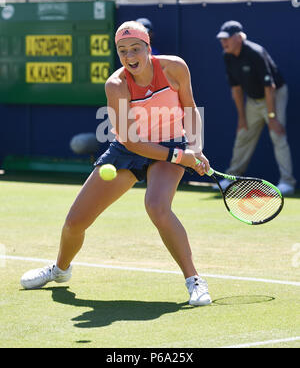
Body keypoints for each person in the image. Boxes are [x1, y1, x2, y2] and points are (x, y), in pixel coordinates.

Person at [20, 20, 212, 307]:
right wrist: (180, 157)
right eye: (122, 51)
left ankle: (194, 280)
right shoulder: (116, 85)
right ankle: (59, 270)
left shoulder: (174, 67)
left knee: (157, 206)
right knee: (75, 221)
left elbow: (189, 106)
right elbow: (133, 142)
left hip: (172, 140)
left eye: (135, 48)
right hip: (130, 149)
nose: (130, 56)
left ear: (148, 48)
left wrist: (194, 148)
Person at [215, 20, 296, 195]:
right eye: (221, 39)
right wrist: (242, 117)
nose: (223, 42)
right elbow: (236, 89)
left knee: (277, 135)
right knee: (243, 135)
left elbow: (270, 87)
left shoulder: (255, 53)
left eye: (226, 39)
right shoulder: (227, 56)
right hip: (253, 100)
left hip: (274, 95)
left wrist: (272, 116)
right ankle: (231, 179)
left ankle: (287, 183)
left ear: (238, 38)